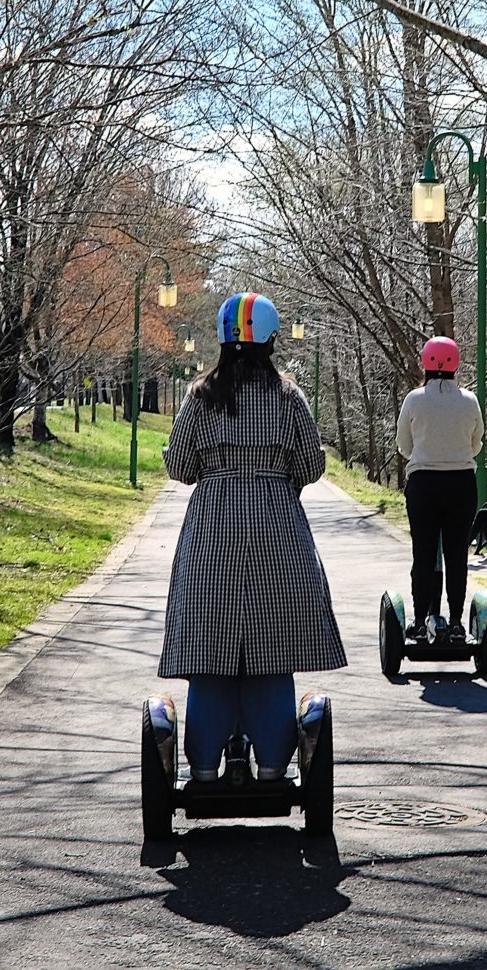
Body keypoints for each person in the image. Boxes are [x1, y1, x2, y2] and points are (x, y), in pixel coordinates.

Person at [159, 291, 346, 782]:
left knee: (211, 650)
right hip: (276, 529)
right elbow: (311, 465)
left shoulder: (200, 396)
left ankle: (200, 768)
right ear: (268, 338)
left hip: (211, 532)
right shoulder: (288, 397)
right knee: (272, 647)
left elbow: (179, 467)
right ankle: (270, 767)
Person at [395, 336, 485, 641]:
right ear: (456, 363)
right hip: (461, 483)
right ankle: (458, 622)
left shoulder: (414, 399)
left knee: (423, 554)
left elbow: (404, 446)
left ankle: (421, 621)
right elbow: (476, 444)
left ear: (425, 362)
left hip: (424, 484)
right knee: (457, 554)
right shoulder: (470, 400)